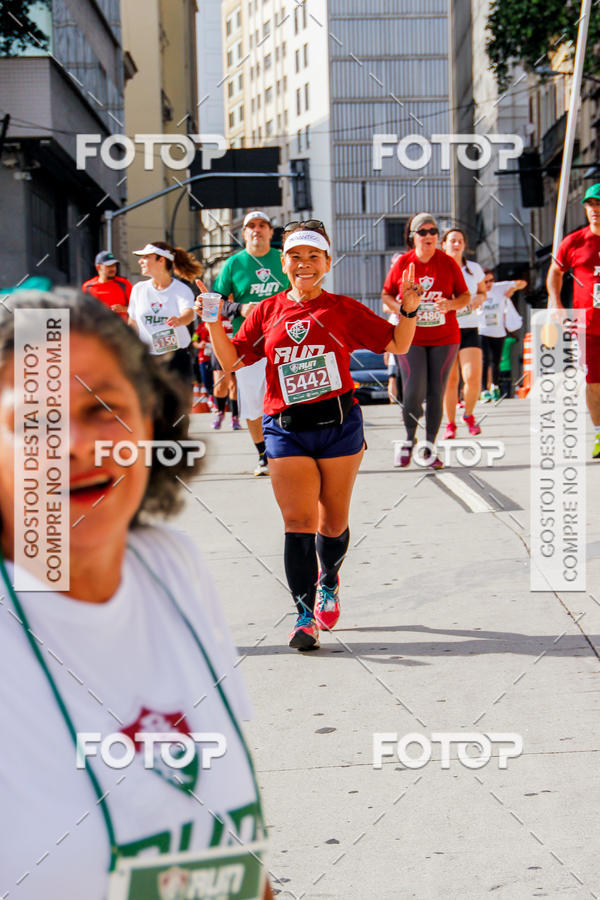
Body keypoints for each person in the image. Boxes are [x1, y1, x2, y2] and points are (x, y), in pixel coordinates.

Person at [0, 291, 272, 900]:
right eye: (37, 419)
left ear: (150, 423)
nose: (76, 444)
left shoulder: (171, 568)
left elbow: (231, 857)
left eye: (103, 409)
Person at [197, 222, 420, 651]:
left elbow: (398, 344)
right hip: (286, 428)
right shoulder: (267, 310)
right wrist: (212, 325)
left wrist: (408, 311)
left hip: (338, 427)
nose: (304, 264)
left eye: (313, 257)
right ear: (283, 264)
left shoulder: (342, 308)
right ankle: (304, 616)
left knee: (332, 521)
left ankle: (329, 580)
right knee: (298, 522)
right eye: (295, 257)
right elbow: (235, 360)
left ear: (327, 265)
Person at [381, 213, 470, 469]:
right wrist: (400, 308)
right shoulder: (402, 263)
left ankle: (430, 447)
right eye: (423, 232)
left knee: (435, 392)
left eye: (433, 232)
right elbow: (386, 295)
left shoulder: (448, 263)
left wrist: (450, 304)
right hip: (410, 337)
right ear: (413, 237)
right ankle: (409, 438)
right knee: (412, 391)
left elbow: (465, 296)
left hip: (445, 337)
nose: (429, 236)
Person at [212, 211, 290, 475]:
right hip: (249, 344)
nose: (257, 230)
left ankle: (289, 450)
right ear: (244, 233)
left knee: (290, 398)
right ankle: (263, 455)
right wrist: (241, 308)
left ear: (270, 232)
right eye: (251, 226)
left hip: (285, 341)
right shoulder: (234, 264)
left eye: (262, 225)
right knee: (253, 403)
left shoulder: (283, 257)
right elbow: (217, 302)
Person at [547, 182, 600, 458]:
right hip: (588, 325)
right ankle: (599, 432)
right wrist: (557, 303)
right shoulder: (575, 241)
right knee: (593, 382)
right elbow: (555, 272)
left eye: (599, 204)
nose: (595, 210)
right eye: (590, 205)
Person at [128, 241, 201, 396]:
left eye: (146, 257)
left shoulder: (181, 289)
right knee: (150, 412)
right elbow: (133, 322)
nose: (140, 261)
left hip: (176, 358)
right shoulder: (138, 289)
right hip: (147, 359)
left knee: (177, 412)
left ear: (161, 260)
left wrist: (180, 320)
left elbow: (189, 313)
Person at [441, 228, 486, 438]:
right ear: (444, 245)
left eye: (460, 241)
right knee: (451, 381)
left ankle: (468, 414)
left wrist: (477, 300)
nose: (456, 244)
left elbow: (483, 292)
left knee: (473, 377)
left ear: (464, 245)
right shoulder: (437, 269)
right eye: (452, 241)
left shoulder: (473, 269)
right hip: (445, 329)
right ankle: (450, 424)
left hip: (469, 327)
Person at [478, 270, 526, 402]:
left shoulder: (499, 288)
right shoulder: (476, 290)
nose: (488, 284)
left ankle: (495, 387)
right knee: (484, 359)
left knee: (496, 361)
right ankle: (484, 390)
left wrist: (512, 289)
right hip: (482, 330)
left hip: (498, 331)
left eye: (491, 280)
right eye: (485, 281)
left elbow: (522, 283)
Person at [81, 250, 132, 320]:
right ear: (98, 267)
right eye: (109, 266)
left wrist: (123, 309)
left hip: (119, 329)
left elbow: (138, 309)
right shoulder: (87, 287)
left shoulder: (124, 284)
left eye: (114, 265)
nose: (113, 268)